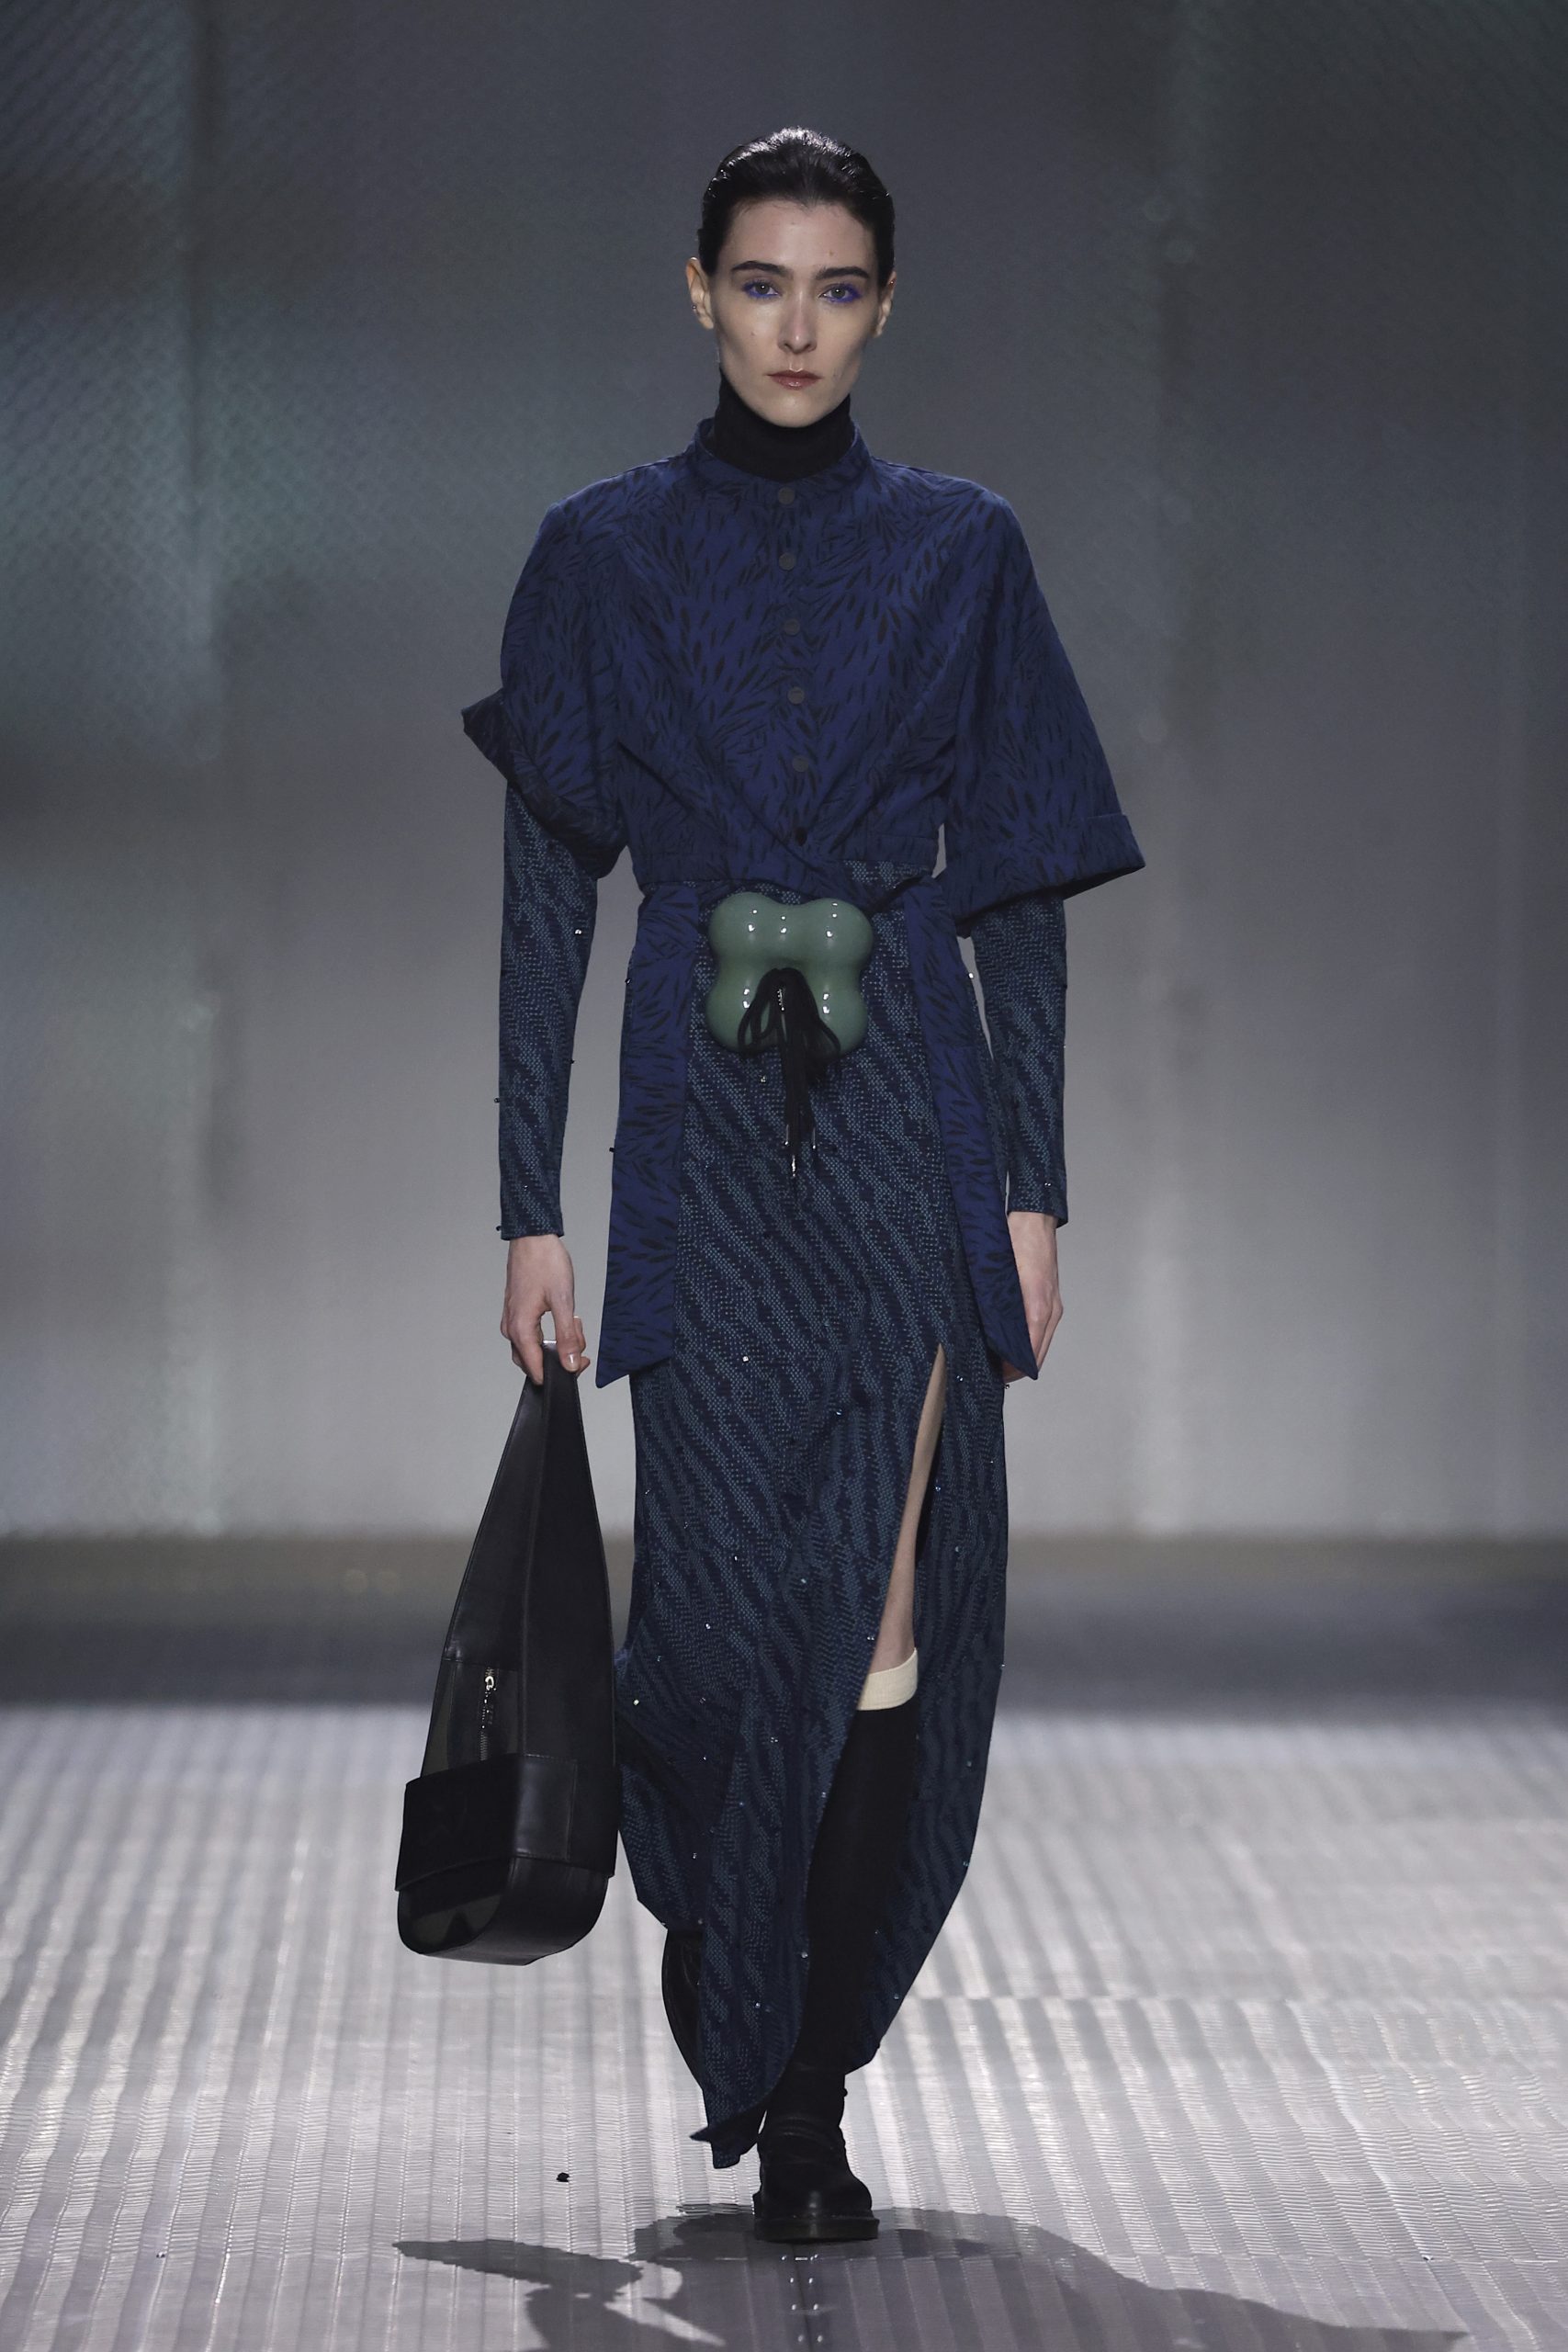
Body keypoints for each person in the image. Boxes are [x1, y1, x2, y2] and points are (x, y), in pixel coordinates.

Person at [461, 126, 1144, 2244]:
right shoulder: (599, 553)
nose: (795, 326)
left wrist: (1029, 1182)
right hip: (692, 1133)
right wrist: (525, 1197)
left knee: (872, 1604)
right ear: (699, 291)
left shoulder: (959, 548)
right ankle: (734, 1960)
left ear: (880, 307)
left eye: (834, 288)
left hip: (898, 1131)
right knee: (700, 1631)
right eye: (759, 282)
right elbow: (545, 895)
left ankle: (809, 2093)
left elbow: (1016, 886)